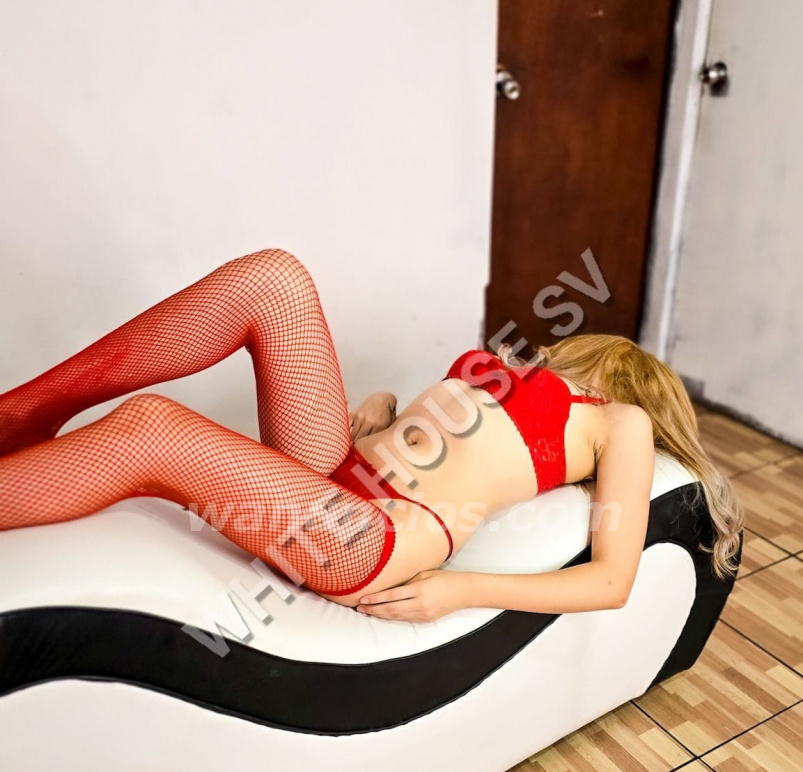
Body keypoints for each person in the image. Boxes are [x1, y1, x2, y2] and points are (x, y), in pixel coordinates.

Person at [0, 248, 742, 621]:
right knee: (274, 278)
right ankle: (28, 408)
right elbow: (469, 447)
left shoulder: (619, 421)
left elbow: (612, 583)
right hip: (335, 470)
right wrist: (387, 415)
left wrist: (458, 591)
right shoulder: (521, 381)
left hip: (370, 532)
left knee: (152, 427)